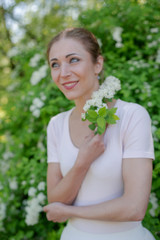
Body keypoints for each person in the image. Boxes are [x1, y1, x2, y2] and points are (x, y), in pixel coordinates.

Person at [43, 27, 155, 240]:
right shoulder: (56, 125)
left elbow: (134, 207)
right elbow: (55, 199)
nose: (63, 73)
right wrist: (82, 162)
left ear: (98, 64)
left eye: (73, 60)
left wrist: (71, 212)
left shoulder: (131, 116)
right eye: (55, 64)